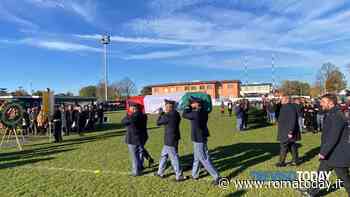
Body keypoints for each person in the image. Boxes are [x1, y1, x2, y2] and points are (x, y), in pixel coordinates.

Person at [299, 94, 350, 197]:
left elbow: (333, 137)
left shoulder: (337, 115)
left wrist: (323, 152)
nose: (320, 104)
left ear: (331, 103)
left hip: (338, 154)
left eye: (323, 102)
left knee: (345, 179)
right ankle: (311, 192)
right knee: (321, 174)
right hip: (331, 154)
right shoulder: (331, 113)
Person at [182, 97, 222, 185]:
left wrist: (187, 107)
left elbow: (184, 115)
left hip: (198, 138)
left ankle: (217, 177)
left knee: (203, 158)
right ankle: (194, 174)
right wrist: (191, 107)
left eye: (192, 103)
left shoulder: (195, 113)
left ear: (197, 104)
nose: (191, 104)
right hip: (202, 136)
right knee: (197, 158)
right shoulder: (204, 112)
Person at [154, 100, 188, 182]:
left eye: (166, 106)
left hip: (170, 140)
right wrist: (163, 114)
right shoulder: (176, 114)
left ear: (170, 107)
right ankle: (160, 172)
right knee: (164, 156)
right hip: (173, 138)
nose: (165, 108)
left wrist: (160, 114)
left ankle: (179, 175)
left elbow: (158, 123)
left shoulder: (168, 115)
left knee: (174, 157)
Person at [121, 103, 148, 176]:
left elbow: (123, 121)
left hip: (133, 138)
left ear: (133, 108)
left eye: (130, 108)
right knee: (140, 153)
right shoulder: (144, 115)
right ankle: (140, 166)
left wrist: (128, 116)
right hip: (142, 137)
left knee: (134, 156)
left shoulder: (134, 116)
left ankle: (136, 171)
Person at [276, 95, 301, 167]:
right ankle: (295, 161)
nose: (281, 100)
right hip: (285, 130)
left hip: (287, 131)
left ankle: (281, 162)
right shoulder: (285, 107)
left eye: (282, 99)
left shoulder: (290, 107)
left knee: (283, 146)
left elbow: (292, 120)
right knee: (292, 146)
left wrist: (290, 131)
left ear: (286, 100)